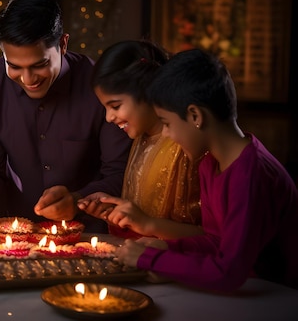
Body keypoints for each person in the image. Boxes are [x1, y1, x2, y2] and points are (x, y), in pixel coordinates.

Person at [115, 48, 298, 291]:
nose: (167, 134)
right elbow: (216, 241)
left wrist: (149, 259)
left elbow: (228, 272)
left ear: (195, 116)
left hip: (276, 294)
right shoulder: (210, 163)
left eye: (167, 123)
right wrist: (168, 248)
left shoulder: (250, 174)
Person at [0, 0, 131, 232]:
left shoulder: (99, 86)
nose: (28, 78)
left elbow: (121, 174)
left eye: (40, 65)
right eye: (14, 66)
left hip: (92, 234)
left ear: (63, 44)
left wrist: (78, 200)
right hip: (14, 233)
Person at [77, 40, 203, 240]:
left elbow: (211, 239)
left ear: (149, 92)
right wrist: (115, 213)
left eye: (116, 106)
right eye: (105, 108)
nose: (109, 118)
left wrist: (146, 224)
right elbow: (140, 218)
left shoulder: (186, 146)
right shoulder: (141, 139)